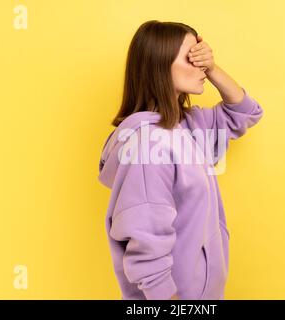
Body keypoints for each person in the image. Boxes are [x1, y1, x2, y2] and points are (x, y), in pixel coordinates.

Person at [98, 20, 264, 300]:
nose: (200, 64)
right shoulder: (148, 142)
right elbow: (146, 238)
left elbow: (245, 113)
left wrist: (213, 68)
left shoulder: (186, 127)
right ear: (159, 65)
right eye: (191, 56)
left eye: (201, 56)